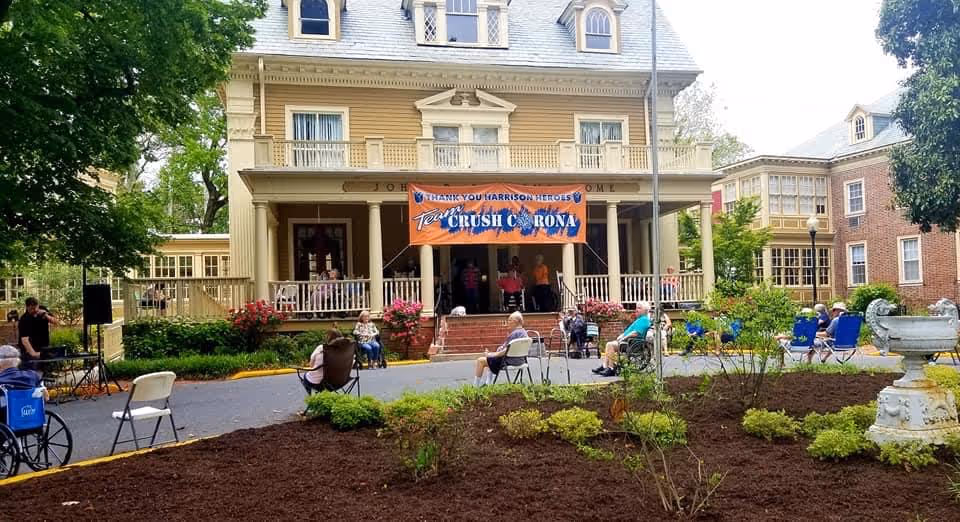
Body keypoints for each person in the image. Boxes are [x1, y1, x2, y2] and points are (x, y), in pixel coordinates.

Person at [594, 301, 651, 377]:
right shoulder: (640, 319)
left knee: (610, 345)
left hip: (632, 343)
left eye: (639, 308)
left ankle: (611, 369)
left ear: (645, 310)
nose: (636, 310)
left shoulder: (644, 320)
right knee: (608, 344)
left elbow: (636, 333)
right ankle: (605, 366)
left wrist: (624, 338)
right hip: (629, 342)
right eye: (637, 308)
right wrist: (622, 336)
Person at [474, 311, 527, 386]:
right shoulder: (524, 332)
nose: (508, 323)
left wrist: (492, 355)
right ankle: (488, 384)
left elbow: (505, 351)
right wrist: (492, 354)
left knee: (480, 361)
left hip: (509, 361)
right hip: (521, 360)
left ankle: (475, 386)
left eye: (509, 320)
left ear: (515, 321)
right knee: (490, 358)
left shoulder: (514, 334)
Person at [300, 330, 343, 395]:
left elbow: (311, 365)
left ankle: (312, 397)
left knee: (306, 376)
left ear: (328, 338)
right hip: (336, 383)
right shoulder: (344, 352)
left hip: (317, 383)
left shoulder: (321, 348)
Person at [18, 297, 58, 367]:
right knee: (32, 369)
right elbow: (24, 340)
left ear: (38, 305)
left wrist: (46, 315)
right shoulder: (24, 319)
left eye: (36, 308)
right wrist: (33, 353)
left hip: (44, 346)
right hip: (29, 349)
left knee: (45, 369)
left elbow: (56, 322)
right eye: (32, 309)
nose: (34, 310)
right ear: (27, 307)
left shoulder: (43, 310)